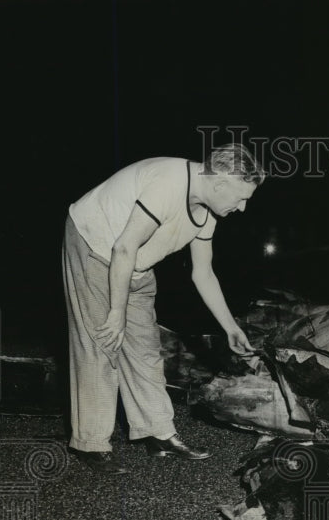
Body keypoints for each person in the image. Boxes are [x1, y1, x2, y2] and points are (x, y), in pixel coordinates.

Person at [62, 144, 264, 473]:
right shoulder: (169, 185)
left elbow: (203, 273)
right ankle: (91, 443)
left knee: (145, 347)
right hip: (94, 243)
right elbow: (123, 246)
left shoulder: (208, 210)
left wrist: (231, 328)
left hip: (134, 263)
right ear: (219, 183)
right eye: (240, 198)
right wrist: (116, 313)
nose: (242, 208)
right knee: (103, 342)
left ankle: (159, 433)